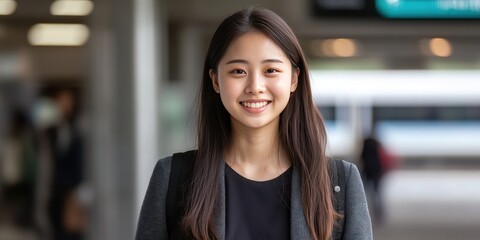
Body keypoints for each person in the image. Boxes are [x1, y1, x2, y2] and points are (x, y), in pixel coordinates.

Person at [136, 7, 372, 240]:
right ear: (215, 81)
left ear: (293, 79)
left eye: (270, 70)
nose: (255, 86)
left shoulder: (340, 183)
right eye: (238, 71)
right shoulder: (172, 177)